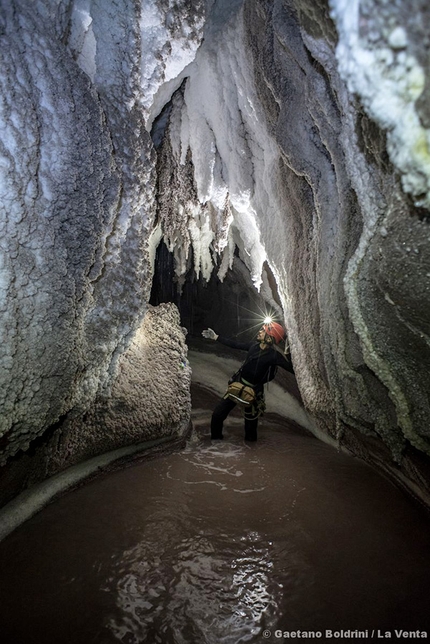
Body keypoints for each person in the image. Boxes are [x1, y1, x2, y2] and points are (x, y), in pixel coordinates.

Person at [201, 322, 295, 441]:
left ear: (270, 337)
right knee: (217, 415)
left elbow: (292, 369)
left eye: (263, 331)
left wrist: (288, 354)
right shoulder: (253, 346)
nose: (260, 332)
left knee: (250, 429)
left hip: (254, 392)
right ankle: (216, 443)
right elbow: (235, 344)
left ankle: (251, 453)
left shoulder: (274, 356)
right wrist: (216, 337)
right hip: (238, 384)